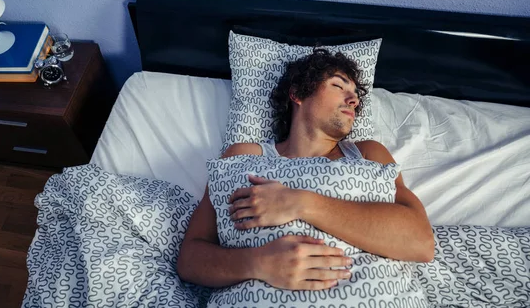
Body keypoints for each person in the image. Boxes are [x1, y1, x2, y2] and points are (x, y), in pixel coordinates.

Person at [177, 48, 434, 292]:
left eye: (355, 94)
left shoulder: (368, 153)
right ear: (298, 93)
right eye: (338, 85)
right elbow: (190, 259)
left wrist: (301, 203)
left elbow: (420, 242)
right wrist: (256, 263)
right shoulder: (242, 156)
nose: (354, 100)